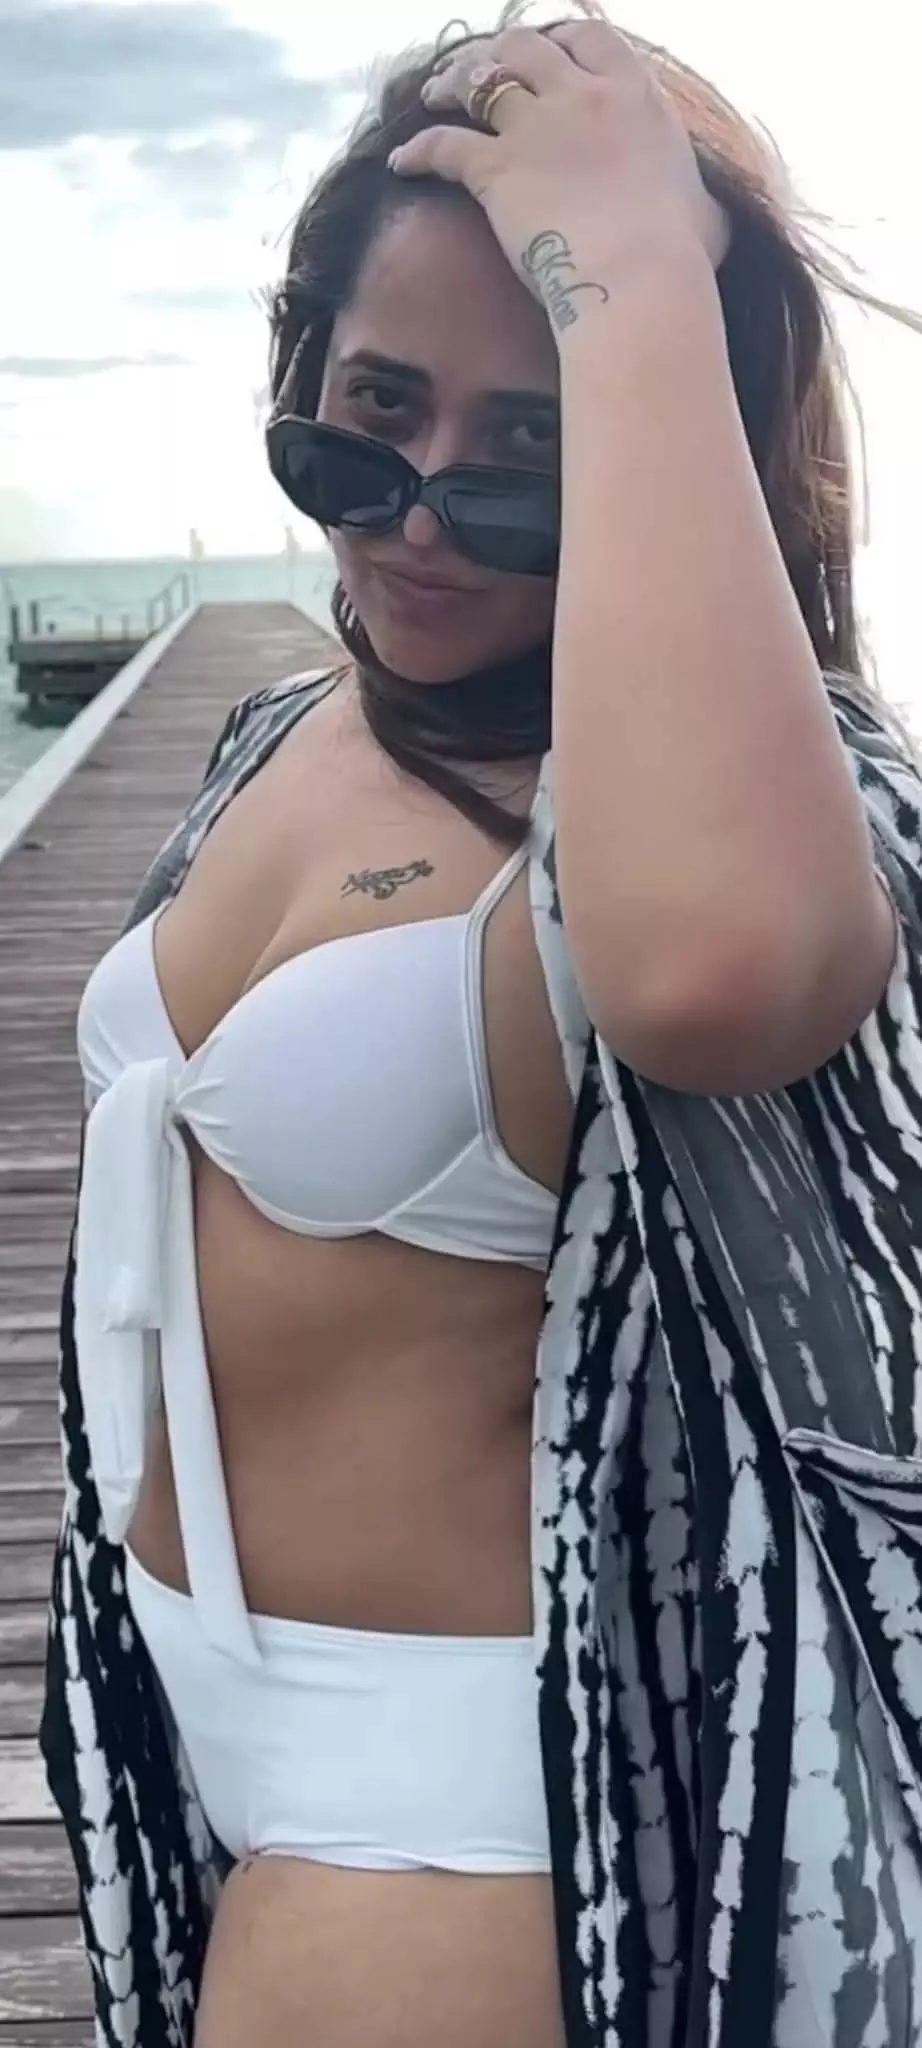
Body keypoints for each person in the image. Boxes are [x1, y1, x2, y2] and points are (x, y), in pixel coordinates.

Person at [41, 6, 922, 2047]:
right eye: (368, 423)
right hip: (182, 1743)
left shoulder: (740, 813)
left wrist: (635, 276)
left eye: (527, 455)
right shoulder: (288, 727)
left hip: (454, 1825)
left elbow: (715, 972)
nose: (424, 517)